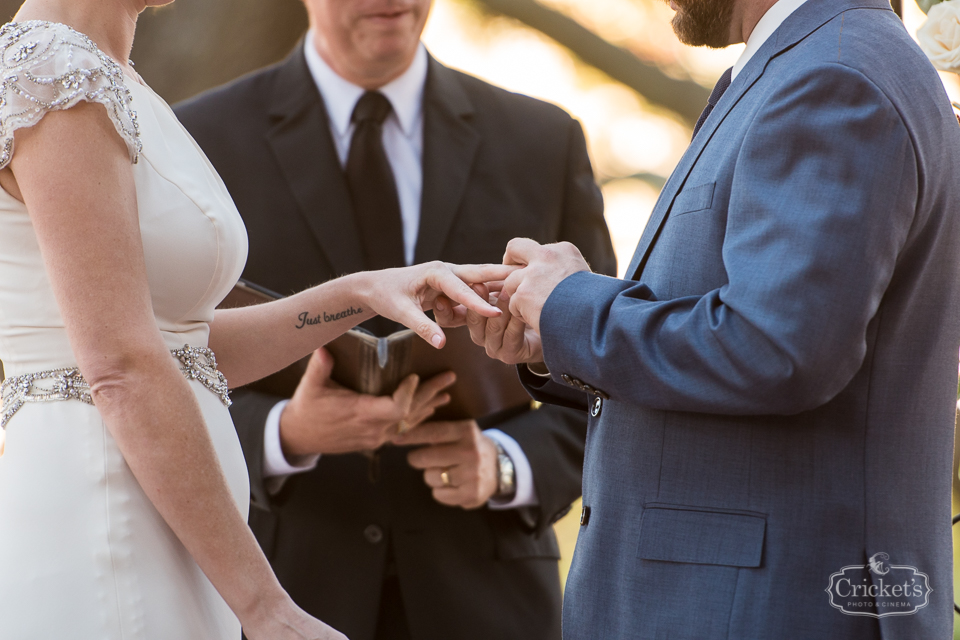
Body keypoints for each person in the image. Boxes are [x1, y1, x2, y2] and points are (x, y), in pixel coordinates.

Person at [450, 0, 960, 637]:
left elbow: (777, 351)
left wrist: (576, 305)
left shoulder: (836, 76)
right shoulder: (812, 63)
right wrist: (558, 331)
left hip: (763, 608)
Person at [0, 1, 509, 639]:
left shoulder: (114, 75)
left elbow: (182, 347)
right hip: (104, 502)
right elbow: (122, 369)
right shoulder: (51, 71)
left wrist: (365, 292)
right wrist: (265, 606)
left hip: (169, 519)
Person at [174, 1, 616, 639]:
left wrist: (506, 464)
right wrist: (283, 434)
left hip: (488, 602)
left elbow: (605, 373)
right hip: (285, 593)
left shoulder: (542, 139)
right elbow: (159, 363)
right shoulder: (201, 137)